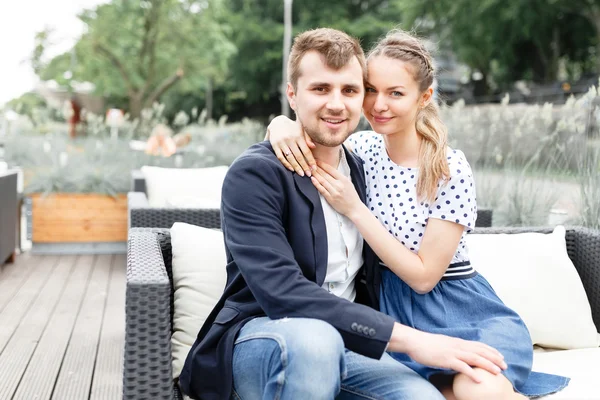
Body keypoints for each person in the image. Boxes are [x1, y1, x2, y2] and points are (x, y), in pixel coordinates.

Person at [179, 28, 507, 400]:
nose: (337, 104)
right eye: (320, 89)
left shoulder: (364, 163)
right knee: (315, 341)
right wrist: (410, 340)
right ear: (292, 94)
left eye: (350, 90)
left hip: (352, 343)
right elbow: (283, 293)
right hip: (268, 337)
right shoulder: (255, 174)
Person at [266, 29, 570, 399]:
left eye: (396, 93)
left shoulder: (448, 169)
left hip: (460, 310)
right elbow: (310, 126)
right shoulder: (360, 149)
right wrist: (280, 124)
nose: (379, 105)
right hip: (393, 314)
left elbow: (425, 277)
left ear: (424, 97)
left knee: (478, 389)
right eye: (371, 89)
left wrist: (355, 209)